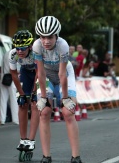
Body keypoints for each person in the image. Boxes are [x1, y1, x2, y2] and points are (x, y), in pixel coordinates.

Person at [33, 16, 82, 163]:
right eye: (43, 37)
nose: (46, 41)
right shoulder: (37, 46)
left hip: (65, 74)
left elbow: (62, 74)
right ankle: (46, 156)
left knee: (68, 112)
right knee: (44, 111)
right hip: (46, 76)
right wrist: (43, 98)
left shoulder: (63, 45)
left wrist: (65, 98)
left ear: (56, 36)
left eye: (50, 37)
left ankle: (76, 157)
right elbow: (40, 73)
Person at [9, 30, 39, 153]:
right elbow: (14, 75)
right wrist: (21, 93)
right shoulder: (13, 54)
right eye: (17, 48)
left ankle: (31, 140)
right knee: (22, 103)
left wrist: (34, 91)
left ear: (30, 47)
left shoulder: (36, 52)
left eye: (23, 48)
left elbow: (39, 73)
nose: (20, 51)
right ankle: (23, 139)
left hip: (40, 73)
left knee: (35, 103)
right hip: (25, 73)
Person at [0, 50, 19, 125]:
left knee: (3, 99)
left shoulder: (5, 54)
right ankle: (16, 119)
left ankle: (2, 119)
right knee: (14, 99)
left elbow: (1, 66)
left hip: (3, 77)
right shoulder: (15, 55)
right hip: (12, 78)